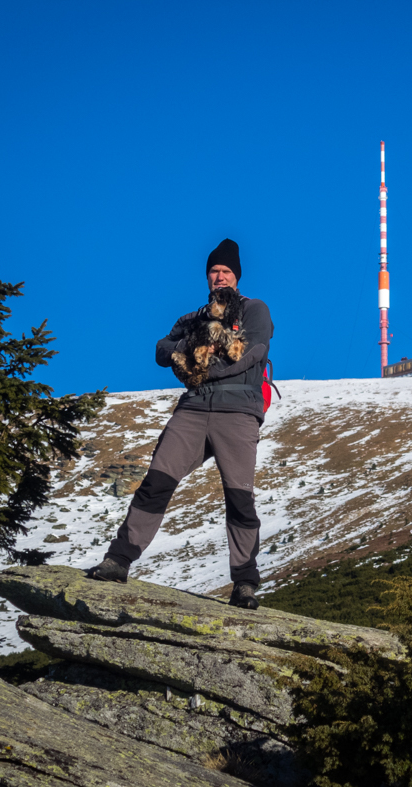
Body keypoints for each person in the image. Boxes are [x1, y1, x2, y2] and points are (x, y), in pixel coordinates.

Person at [88, 238, 273, 609]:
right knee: (157, 481)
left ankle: (245, 585)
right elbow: (160, 348)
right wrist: (182, 353)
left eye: (226, 271)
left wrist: (203, 368)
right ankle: (118, 560)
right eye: (214, 271)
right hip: (193, 410)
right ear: (208, 277)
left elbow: (254, 351)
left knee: (239, 498)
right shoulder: (195, 317)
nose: (219, 276)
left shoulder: (255, 309)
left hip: (237, 413)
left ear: (236, 276)